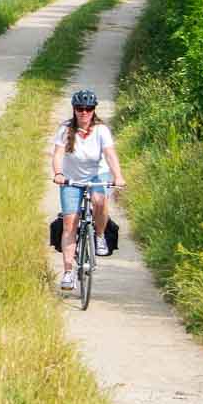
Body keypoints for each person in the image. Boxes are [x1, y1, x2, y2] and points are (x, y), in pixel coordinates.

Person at [51, 89, 127, 291]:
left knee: (100, 200)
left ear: (94, 110)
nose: (84, 113)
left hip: (97, 175)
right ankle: (68, 273)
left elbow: (110, 155)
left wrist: (118, 176)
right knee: (69, 224)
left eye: (88, 109)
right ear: (74, 110)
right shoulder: (66, 129)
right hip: (72, 178)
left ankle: (100, 237)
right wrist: (58, 173)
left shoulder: (101, 130)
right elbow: (58, 154)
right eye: (80, 109)